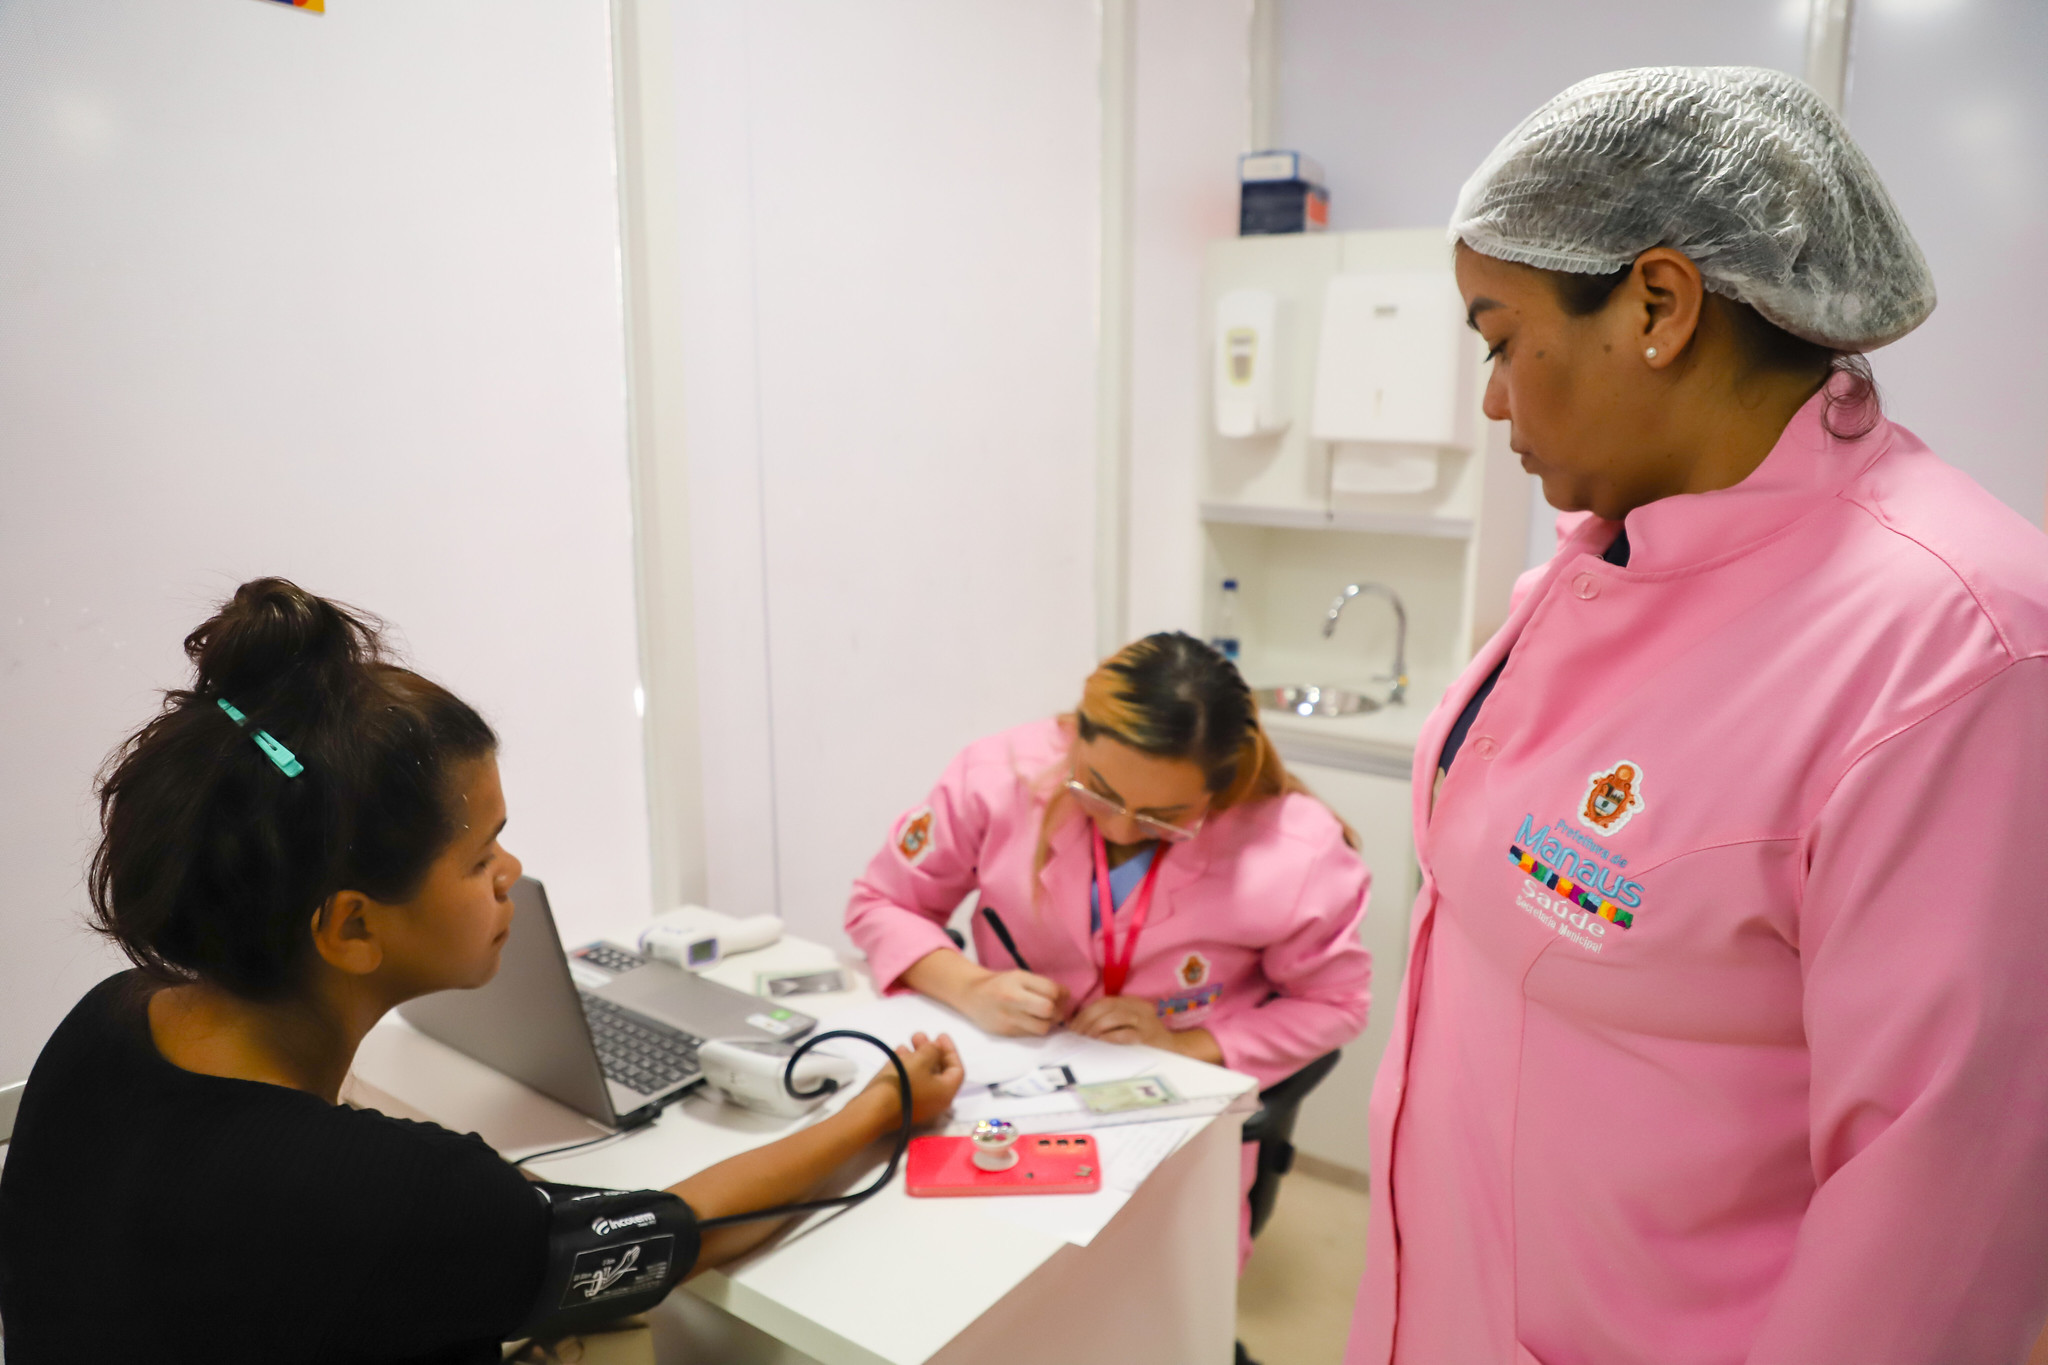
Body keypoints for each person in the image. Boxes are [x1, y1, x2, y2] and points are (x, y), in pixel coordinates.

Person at [1345, 67, 2048, 1365]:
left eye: (1498, 338)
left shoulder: (1957, 649)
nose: (1491, 398)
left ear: (1657, 306)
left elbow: (1928, 1235)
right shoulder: (1600, 560)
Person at [0, 578, 965, 1364]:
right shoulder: (412, 1197)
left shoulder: (105, 1024)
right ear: (351, 925)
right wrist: (880, 1107)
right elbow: (674, 1233)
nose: (511, 871)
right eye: (480, 855)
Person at [844, 631, 1373, 1267]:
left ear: (1222, 789)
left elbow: (1336, 1004)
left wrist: (1187, 1044)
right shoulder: (997, 778)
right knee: (974, 1266)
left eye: (1163, 815)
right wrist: (969, 986)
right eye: (1097, 789)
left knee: (1144, 1286)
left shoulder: (1297, 851)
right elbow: (882, 902)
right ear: (1074, 732)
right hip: (1011, 1093)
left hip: (1167, 1118)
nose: (1122, 827)